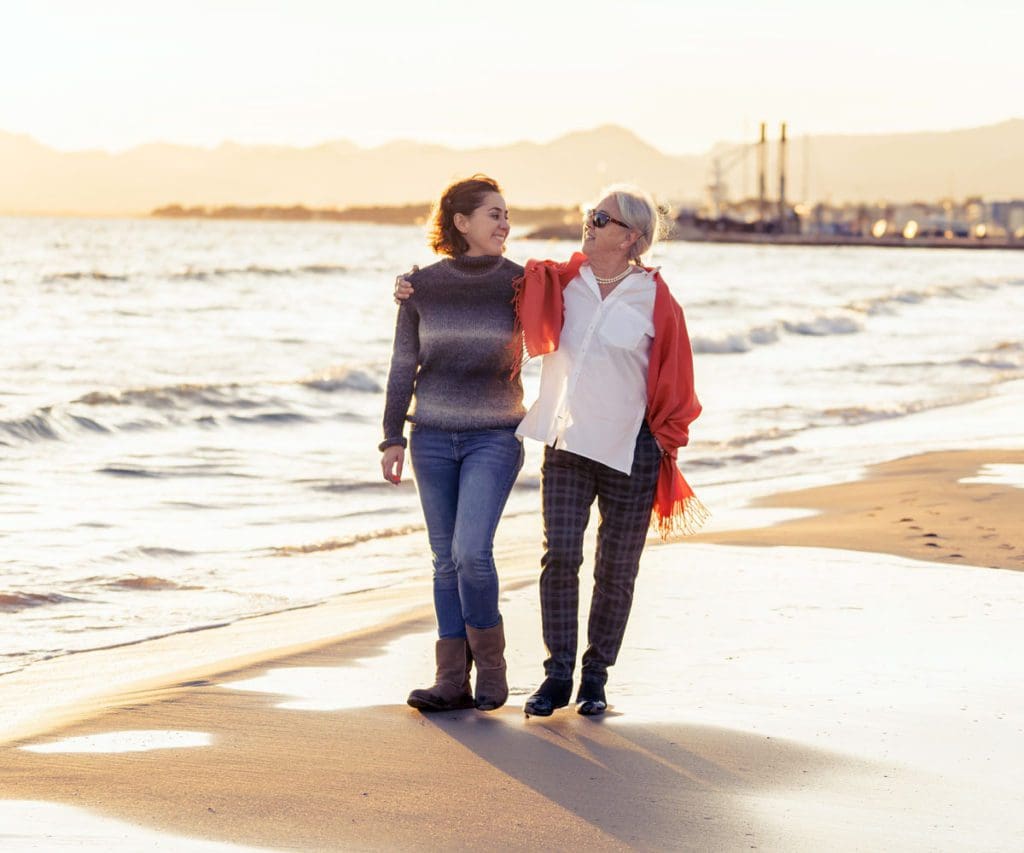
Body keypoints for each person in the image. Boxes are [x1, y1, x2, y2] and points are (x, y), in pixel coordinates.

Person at [395, 184, 703, 718]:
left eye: (601, 218)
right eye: (590, 214)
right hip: (565, 442)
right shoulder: (557, 280)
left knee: (616, 570)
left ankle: (596, 678)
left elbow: (677, 378)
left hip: (632, 446)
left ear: (631, 236)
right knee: (559, 558)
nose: (589, 222)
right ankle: (556, 677)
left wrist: (667, 444)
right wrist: (412, 286)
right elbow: (481, 283)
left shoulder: (657, 298)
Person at [380, 175, 525, 713]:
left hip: (495, 434)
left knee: (471, 552)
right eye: (493, 214)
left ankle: (491, 667)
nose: (505, 223)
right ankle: (450, 679)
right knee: (444, 560)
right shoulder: (423, 288)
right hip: (432, 438)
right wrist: (391, 436)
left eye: (507, 214)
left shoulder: (523, 284)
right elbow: (403, 364)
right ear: (461, 223)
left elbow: (571, 319)